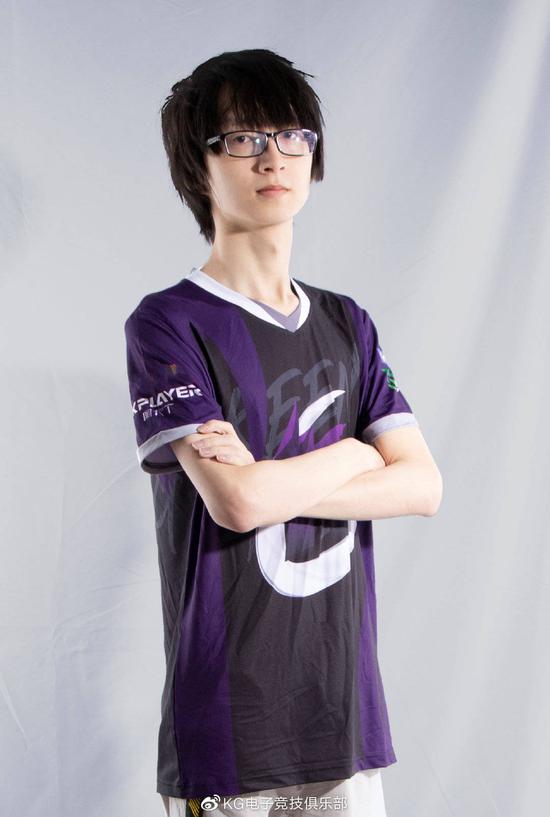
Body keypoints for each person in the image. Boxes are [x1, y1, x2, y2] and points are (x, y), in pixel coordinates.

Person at [124, 48, 442, 817]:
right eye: (243, 137)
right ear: (200, 165)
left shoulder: (346, 323)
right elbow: (235, 502)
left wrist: (274, 480)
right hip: (227, 735)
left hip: (344, 720)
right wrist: (356, 452)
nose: (274, 156)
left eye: (292, 134)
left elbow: (423, 485)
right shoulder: (168, 323)